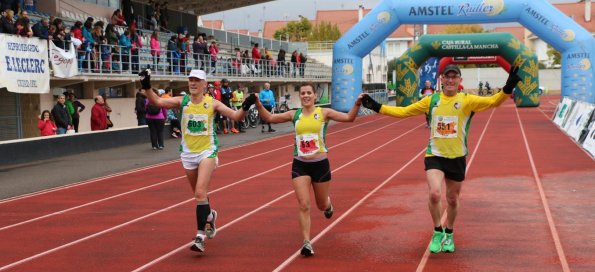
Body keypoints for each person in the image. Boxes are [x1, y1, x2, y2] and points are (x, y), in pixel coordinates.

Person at [361, 64, 521, 254]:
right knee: (435, 193)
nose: (451, 80)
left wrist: (507, 88)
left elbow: (494, 101)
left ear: (460, 81)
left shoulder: (468, 101)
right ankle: (438, 230)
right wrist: (377, 107)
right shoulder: (431, 100)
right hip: (435, 155)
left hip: (457, 157)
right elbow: (403, 112)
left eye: (455, 77)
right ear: (442, 80)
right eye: (448, 77)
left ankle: (450, 233)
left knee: (452, 199)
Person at [139, 68, 254, 253]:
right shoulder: (182, 101)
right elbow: (157, 101)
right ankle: (209, 216)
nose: (193, 83)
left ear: (204, 84)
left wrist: (246, 106)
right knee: (199, 196)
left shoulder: (213, 103)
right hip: (188, 153)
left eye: (197, 80)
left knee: (200, 192)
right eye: (190, 80)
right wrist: (146, 85)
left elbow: (235, 116)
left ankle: (200, 235)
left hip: (207, 152)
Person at [255, 82, 364, 257]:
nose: (305, 96)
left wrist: (357, 104)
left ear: (315, 96)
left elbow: (349, 118)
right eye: (303, 93)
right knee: (304, 204)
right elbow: (269, 118)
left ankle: (328, 205)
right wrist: (259, 105)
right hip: (300, 164)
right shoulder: (294, 114)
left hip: (320, 164)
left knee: (320, 204)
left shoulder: (324, 113)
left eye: (309, 93)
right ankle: (306, 242)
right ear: (300, 96)